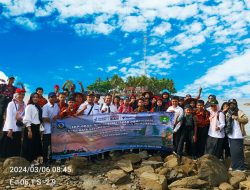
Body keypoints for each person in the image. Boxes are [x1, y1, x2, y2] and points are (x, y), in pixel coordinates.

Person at [0, 88, 26, 158]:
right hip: (10, 128)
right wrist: (10, 129)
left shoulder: (24, 105)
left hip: (18, 128)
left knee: (16, 146)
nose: (21, 96)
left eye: (23, 94)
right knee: (6, 146)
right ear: (16, 94)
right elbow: (9, 117)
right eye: (20, 94)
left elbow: (25, 116)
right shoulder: (11, 104)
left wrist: (21, 118)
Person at [226, 99, 248, 171]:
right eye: (230, 104)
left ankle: (240, 168)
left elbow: (246, 120)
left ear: (236, 104)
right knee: (233, 152)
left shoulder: (239, 111)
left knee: (239, 152)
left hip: (238, 135)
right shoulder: (228, 113)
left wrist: (237, 118)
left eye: (233, 104)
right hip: (231, 135)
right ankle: (234, 166)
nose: (232, 105)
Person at [22, 93, 43, 163]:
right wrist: (29, 130)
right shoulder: (29, 106)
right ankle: (27, 161)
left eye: (37, 97)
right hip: (30, 127)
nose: (35, 98)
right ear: (31, 98)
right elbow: (27, 119)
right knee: (29, 145)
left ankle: (34, 160)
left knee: (36, 144)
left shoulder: (37, 106)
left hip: (36, 128)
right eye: (34, 97)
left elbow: (38, 119)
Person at [42, 92, 60, 164]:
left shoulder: (56, 105)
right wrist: (53, 120)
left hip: (55, 130)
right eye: (51, 97)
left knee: (54, 146)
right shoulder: (45, 106)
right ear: (48, 98)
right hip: (47, 130)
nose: (53, 98)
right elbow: (44, 118)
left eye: (54, 97)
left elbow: (58, 114)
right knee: (46, 146)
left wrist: (57, 117)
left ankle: (52, 159)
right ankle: (45, 160)